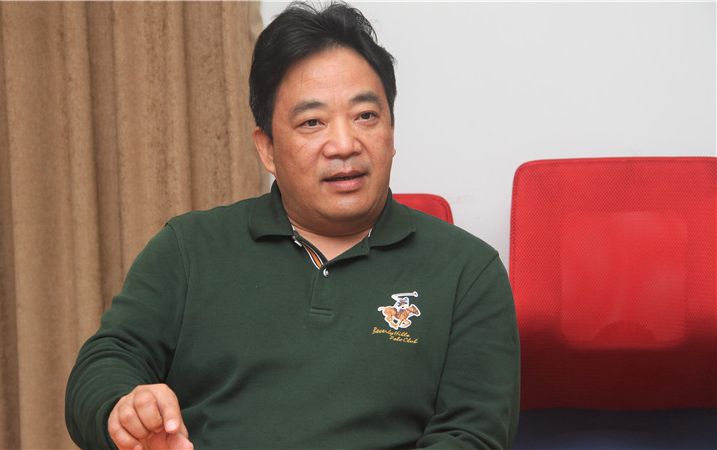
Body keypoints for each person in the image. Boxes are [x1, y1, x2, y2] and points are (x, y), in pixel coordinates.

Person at [65, 2, 520, 449]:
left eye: (366, 116)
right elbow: (106, 362)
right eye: (312, 122)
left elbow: (472, 433)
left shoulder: (468, 272)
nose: (344, 144)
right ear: (267, 148)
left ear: (392, 130)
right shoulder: (187, 249)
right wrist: (126, 413)